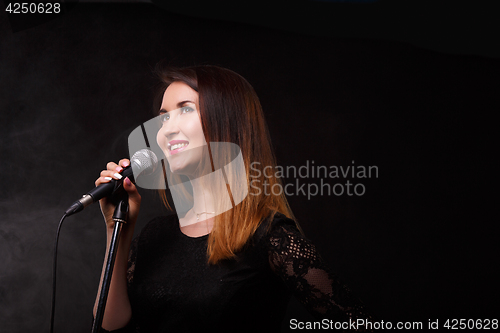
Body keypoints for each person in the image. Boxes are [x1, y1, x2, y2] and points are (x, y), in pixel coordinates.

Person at [93, 65, 373, 332]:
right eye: (164, 116)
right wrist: (117, 229)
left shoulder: (270, 237)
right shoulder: (156, 235)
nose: (166, 129)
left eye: (186, 109)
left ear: (228, 122)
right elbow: (110, 327)